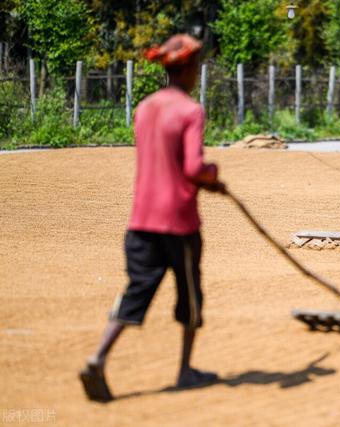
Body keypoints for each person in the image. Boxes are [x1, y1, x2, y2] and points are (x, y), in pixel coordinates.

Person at [80, 34, 225, 402]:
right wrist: (212, 175)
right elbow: (192, 167)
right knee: (190, 297)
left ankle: (97, 358)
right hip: (179, 223)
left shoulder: (144, 108)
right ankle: (185, 371)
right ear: (189, 69)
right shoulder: (191, 110)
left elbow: (163, 160)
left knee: (137, 291)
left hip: (141, 221)